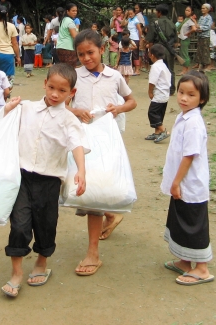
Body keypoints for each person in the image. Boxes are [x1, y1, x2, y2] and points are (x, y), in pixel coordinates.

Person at [1, 64, 89, 298]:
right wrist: (8, 109)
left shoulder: (69, 120)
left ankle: (41, 262)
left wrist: (81, 169)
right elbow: (4, 124)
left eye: (62, 91)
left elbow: (77, 144)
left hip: (49, 181)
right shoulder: (26, 108)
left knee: (45, 224)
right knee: (19, 225)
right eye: (51, 87)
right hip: (21, 177)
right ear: (44, 83)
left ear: (72, 92)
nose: (54, 94)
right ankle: (16, 272)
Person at [69, 29, 137, 274]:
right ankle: (111, 215)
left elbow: (132, 102)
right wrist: (76, 112)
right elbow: (62, 103)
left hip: (108, 141)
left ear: (102, 50)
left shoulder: (114, 76)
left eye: (91, 52)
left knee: (94, 191)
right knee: (85, 189)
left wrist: (117, 109)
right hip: (82, 142)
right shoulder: (74, 76)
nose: (86, 58)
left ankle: (92, 254)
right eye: (81, 54)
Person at [161, 71, 214, 285]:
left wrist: (176, 182)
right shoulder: (183, 116)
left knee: (193, 223)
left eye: (191, 95)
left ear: (201, 99)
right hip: (181, 182)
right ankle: (185, 261)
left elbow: (189, 155)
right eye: (181, 92)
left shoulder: (194, 123)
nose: (183, 98)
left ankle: (202, 268)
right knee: (180, 220)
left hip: (189, 184)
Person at [145, 4, 177, 95]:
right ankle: (171, 90)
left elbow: (150, 38)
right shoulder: (172, 23)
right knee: (170, 69)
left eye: (156, 11)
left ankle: (159, 88)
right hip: (169, 49)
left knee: (158, 69)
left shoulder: (155, 23)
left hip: (158, 49)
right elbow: (175, 39)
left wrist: (149, 49)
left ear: (159, 12)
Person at [146, 44, 171, 143]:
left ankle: (164, 131)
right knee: (159, 114)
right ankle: (157, 133)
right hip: (164, 94)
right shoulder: (163, 65)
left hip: (159, 95)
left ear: (152, 55)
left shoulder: (156, 67)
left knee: (152, 113)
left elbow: (152, 81)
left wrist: (150, 92)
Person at [193, 4, 213, 71]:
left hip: (205, 36)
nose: (202, 9)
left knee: (205, 51)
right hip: (200, 35)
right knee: (200, 51)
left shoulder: (209, 17)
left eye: (204, 8)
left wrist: (200, 27)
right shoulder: (201, 17)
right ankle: (201, 66)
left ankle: (207, 66)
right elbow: (197, 25)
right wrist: (197, 28)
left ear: (207, 9)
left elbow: (207, 27)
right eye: (202, 8)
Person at [178, 6, 196, 75]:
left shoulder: (190, 20)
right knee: (183, 54)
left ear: (191, 12)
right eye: (186, 10)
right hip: (182, 38)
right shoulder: (186, 19)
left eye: (188, 11)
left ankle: (185, 70)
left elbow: (194, 29)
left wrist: (188, 33)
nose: (186, 11)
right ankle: (186, 69)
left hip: (185, 39)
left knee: (185, 55)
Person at [126, 8, 143, 75]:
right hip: (130, 38)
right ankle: (132, 69)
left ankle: (137, 70)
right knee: (131, 54)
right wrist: (125, 16)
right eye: (129, 14)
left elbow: (140, 30)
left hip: (135, 38)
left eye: (131, 14)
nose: (130, 15)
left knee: (135, 54)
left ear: (134, 13)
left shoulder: (136, 20)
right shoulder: (129, 19)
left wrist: (140, 39)